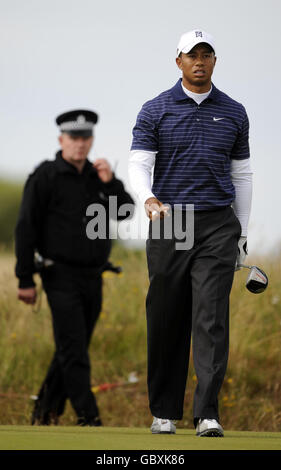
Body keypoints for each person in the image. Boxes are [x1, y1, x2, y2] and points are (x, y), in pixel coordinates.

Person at [129, 30, 252, 436]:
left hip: (219, 223)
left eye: (207, 54)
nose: (199, 61)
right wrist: (147, 199)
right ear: (177, 61)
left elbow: (242, 175)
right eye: (191, 55)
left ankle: (208, 414)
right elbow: (139, 164)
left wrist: (243, 235)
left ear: (214, 61)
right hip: (171, 220)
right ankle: (164, 411)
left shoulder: (234, 112)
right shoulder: (156, 109)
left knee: (211, 317)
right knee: (166, 316)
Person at [15, 109, 134, 426]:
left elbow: (125, 211)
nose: (80, 144)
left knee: (72, 347)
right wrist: (24, 278)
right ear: (61, 140)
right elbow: (25, 228)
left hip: (93, 276)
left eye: (85, 138)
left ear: (91, 140)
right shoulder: (45, 176)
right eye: (73, 138)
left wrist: (111, 183)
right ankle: (88, 417)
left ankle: (44, 413)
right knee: (74, 349)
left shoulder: (98, 176)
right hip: (59, 274)